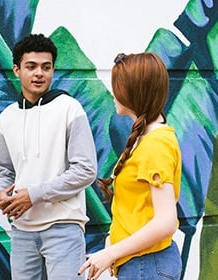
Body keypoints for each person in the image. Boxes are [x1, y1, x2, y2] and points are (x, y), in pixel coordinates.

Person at [0, 34, 97, 279]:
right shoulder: (7, 117)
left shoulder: (69, 108)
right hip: (21, 231)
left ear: (52, 70)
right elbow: (3, 170)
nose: (39, 73)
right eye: (31, 66)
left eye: (46, 67)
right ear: (17, 70)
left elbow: (86, 170)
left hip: (63, 226)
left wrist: (34, 195)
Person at [78, 53, 182, 280]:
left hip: (147, 265)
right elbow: (138, 209)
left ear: (135, 91)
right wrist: (111, 245)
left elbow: (166, 222)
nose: (114, 92)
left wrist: (111, 253)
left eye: (118, 86)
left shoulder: (156, 145)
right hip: (142, 264)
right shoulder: (147, 139)